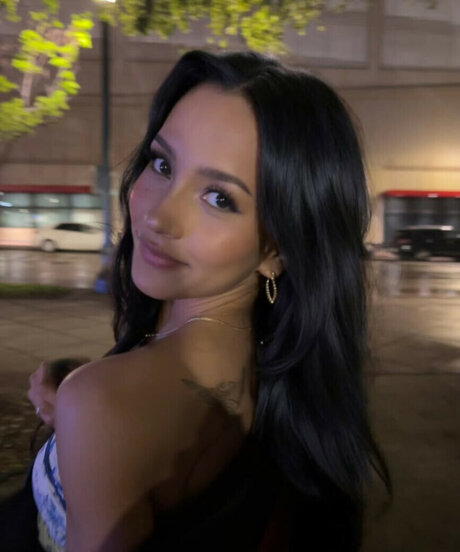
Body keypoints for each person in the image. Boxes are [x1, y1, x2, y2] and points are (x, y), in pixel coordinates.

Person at [24, 49, 391, 551]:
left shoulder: (107, 404)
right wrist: (73, 421)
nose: (158, 215)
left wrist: (87, 411)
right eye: (162, 164)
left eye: (219, 197)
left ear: (277, 249)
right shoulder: (269, 375)